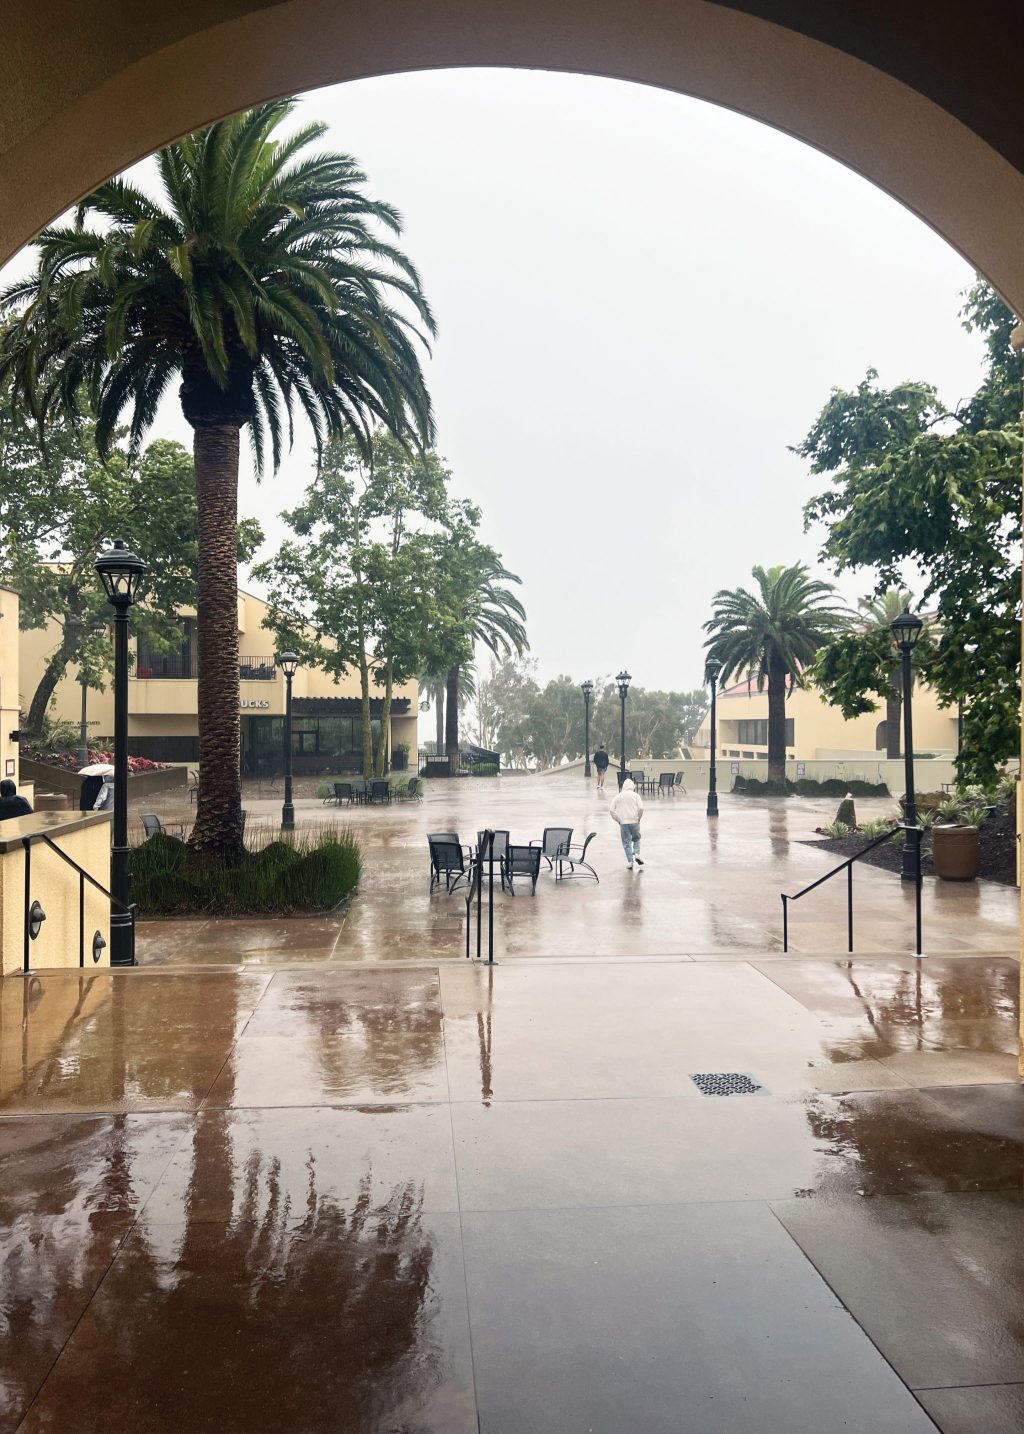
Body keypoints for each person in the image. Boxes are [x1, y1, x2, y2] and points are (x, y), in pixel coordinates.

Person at [609, 776, 644, 870]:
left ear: (623, 786)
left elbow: (611, 810)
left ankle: (630, 862)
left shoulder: (618, 796)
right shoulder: (636, 795)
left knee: (626, 842)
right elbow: (641, 808)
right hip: (634, 821)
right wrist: (638, 818)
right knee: (636, 839)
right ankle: (636, 853)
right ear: (633, 786)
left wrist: (618, 820)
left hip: (623, 822)